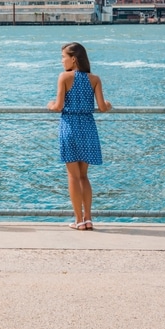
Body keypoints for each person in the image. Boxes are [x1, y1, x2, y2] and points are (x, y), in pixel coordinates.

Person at [46, 42, 112, 230]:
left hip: (70, 126)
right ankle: (88, 218)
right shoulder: (95, 79)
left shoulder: (64, 77)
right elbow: (102, 107)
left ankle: (78, 220)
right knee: (84, 176)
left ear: (73, 59)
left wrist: (49, 104)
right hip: (88, 127)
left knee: (73, 176)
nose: (61, 61)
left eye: (63, 57)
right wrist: (109, 104)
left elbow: (58, 106)